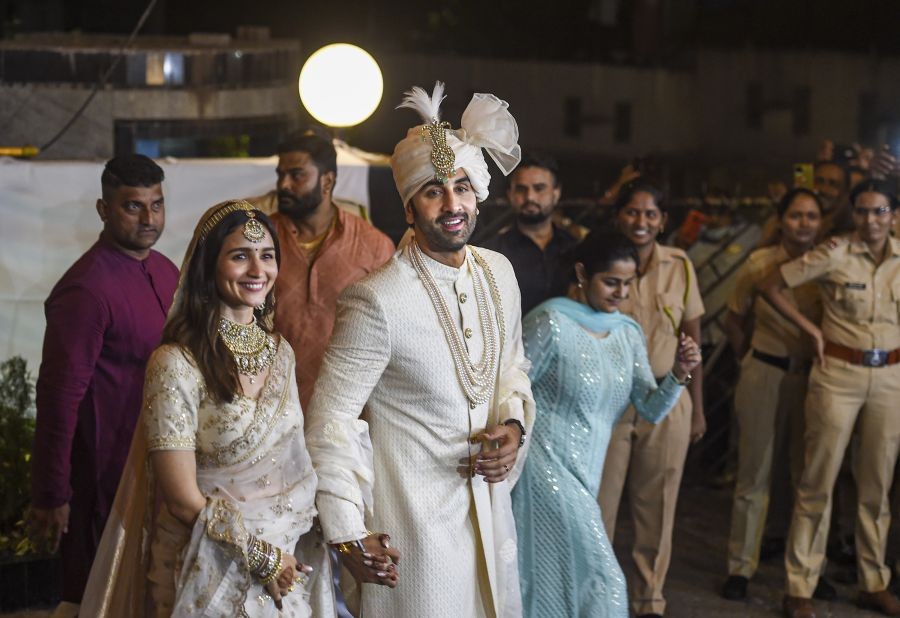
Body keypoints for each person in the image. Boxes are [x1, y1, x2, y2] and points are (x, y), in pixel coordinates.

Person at [305, 81, 534, 617]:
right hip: (413, 527)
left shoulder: (499, 273)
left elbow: (514, 370)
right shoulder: (376, 299)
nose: (451, 204)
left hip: (490, 510)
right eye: (433, 191)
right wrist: (347, 534)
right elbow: (329, 422)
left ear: (479, 193)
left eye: (461, 186)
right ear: (409, 208)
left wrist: (515, 428)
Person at [79, 200, 338, 616]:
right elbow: (181, 499)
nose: (258, 271)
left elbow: (294, 465)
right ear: (208, 266)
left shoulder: (280, 353)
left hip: (288, 561)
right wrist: (259, 556)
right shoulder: (175, 363)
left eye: (267, 256)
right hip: (206, 568)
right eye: (240, 256)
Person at [512, 231, 701, 618]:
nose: (620, 293)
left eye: (628, 284)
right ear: (582, 273)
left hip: (587, 472)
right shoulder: (551, 322)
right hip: (543, 467)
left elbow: (649, 408)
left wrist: (680, 375)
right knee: (605, 578)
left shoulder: (627, 334)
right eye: (611, 282)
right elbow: (507, 389)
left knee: (559, 574)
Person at [29, 154, 179, 611]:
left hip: (163, 472)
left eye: (156, 204)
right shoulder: (85, 290)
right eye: (134, 206)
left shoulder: (167, 271)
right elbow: (59, 398)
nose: (149, 218)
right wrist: (52, 494)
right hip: (103, 483)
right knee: (100, 602)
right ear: (103, 209)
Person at [764, 179, 900, 618]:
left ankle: (872, 581)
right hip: (838, 374)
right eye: (862, 211)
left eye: (880, 211)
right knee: (818, 480)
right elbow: (772, 285)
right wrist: (813, 331)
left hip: (890, 377)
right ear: (853, 214)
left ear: (893, 215)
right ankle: (799, 586)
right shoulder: (835, 252)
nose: (871, 220)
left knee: (876, 485)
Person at [598, 179, 705, 618]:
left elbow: (692, 335)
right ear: (618, 216)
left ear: (663, 222)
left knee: (657, 505)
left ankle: (649, 601)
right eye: (632, 212)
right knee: (599, 505)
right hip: (611, 400)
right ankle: (599, 597)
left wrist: (695, 404)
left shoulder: (679, 266)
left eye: (650, 214)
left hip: (668, 392)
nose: (640, 222)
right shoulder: (599, 260)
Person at [720, 189, 824, 601]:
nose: (804, 223)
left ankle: (803, 572)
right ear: (781, 220)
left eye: (812, 216)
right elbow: (733, 319)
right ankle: (740, 567)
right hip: (764, 369)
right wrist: (748, 356)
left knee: (806, 475)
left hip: (811, 378)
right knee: (754, 473)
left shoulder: (827, 265)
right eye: (796, 215)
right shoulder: (759, 263)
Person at [247, 130, 394, 410]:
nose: (284, 185)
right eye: (281, 175)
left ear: (327, 181)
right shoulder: (258, 239)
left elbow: (391, 338)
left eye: (297, 175)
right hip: (268, 408)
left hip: (349, 415)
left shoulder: (373, 246)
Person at [482, 151, 577, 315]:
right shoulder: (491, 254)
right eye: (521, 189)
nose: (530, 197)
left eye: (539, 188)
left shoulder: (575, 248)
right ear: (510, 194)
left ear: (556, 193)